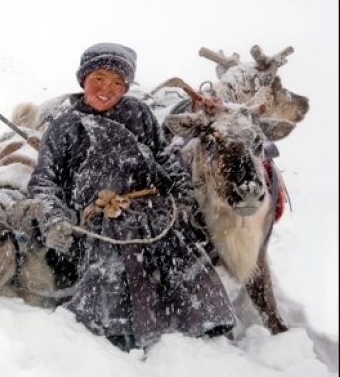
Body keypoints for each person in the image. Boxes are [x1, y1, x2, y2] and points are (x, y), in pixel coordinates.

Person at [27, 42, 235, 352]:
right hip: (98, 220)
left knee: (177, 247)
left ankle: (200, 323)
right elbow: (43, 182)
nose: (106, 89)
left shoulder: (139, 114)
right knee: (115, 254)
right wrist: (53, 219)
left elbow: (164, 159)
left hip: (153, 210)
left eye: (118, 83)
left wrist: (184, 198)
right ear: (83, 79)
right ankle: (120, 333)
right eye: (99, 77)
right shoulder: (64, 128)